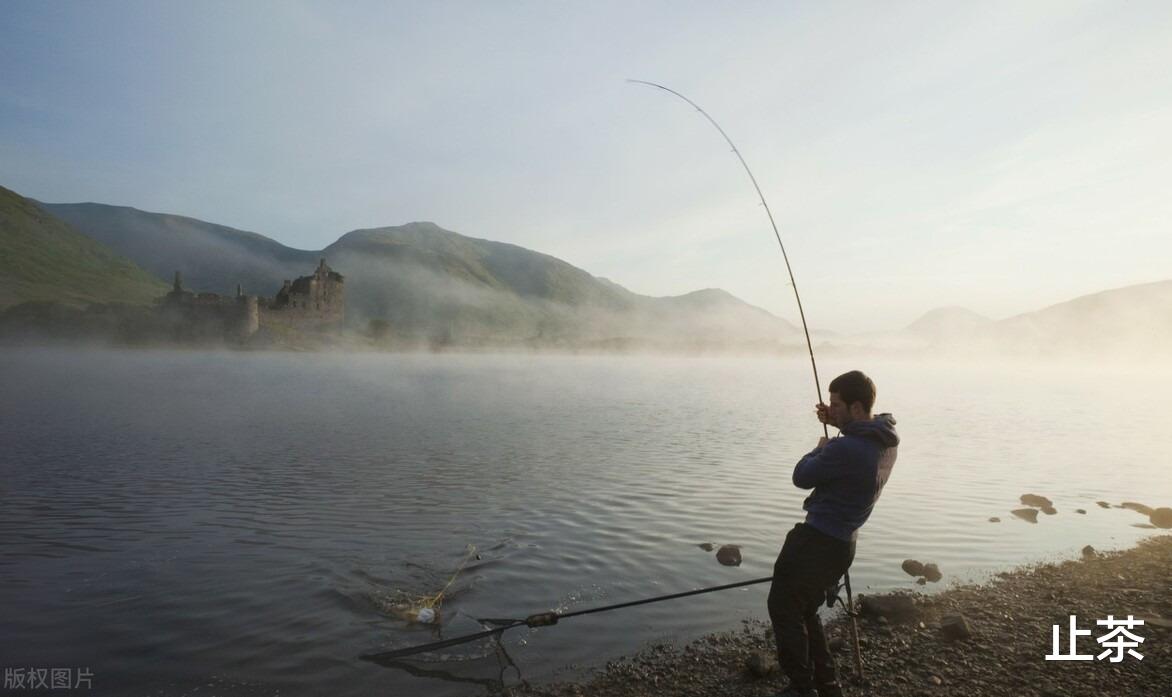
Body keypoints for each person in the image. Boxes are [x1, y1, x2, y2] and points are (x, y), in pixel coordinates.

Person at [768, 370, 899, 697]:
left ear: (856, 408)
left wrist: (819, 448)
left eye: (836, 404)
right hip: (844, 543)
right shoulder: (885, 440)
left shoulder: (845, 449)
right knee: (806, 608)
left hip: (816, 542)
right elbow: (857, 438)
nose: (830, 408)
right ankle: (826, 684)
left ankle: (801, 687)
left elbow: (801, 476)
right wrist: (838, 423)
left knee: (783, 607)